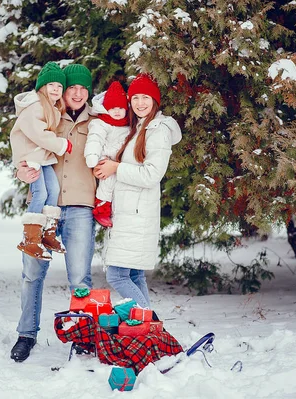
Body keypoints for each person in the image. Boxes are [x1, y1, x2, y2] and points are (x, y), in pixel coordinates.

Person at [10, 63, 96, 362]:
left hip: (81, 207)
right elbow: (25, 151)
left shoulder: (97, 122)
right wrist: (21, 173)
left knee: (80, 278)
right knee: (32, 274)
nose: (76, 93)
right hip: (45, 207)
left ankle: (83, 338)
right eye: (71, 87)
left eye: (82, 88)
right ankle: (26, 334)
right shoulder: (47, 115)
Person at [94, 73, 182, 308]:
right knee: (133, 276)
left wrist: (116, 168)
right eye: (135, 98)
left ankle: (150, 325)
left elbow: (152, 175)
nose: (140, 103)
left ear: (155, 101)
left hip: (137, 215)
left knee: (117, 276)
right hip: (129, 213)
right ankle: (147, 331)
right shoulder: (138, 127)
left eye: (146, 98)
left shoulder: (158, 130)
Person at [10, 61, 72, 260]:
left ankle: (48, 234)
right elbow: (38, 134)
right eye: (51, 85)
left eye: (59, 86)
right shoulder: (35, 106)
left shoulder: (51, 107)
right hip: (31, 156)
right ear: (42, 87)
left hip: (41, 156)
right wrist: (61, 144)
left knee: (53, 190)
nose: (56, 89)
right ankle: (30, 239)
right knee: (41, 192)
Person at [84, 81, 130, 228]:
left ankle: (116, 207)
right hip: (104, 158)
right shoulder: (101, 123)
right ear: (106, 109)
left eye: (121, 108)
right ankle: (101, 207)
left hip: (121, 162)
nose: (117, 111)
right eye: (113, 108)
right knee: (108, 180)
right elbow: (94, 139)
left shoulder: (129, 124)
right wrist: (92, 156)